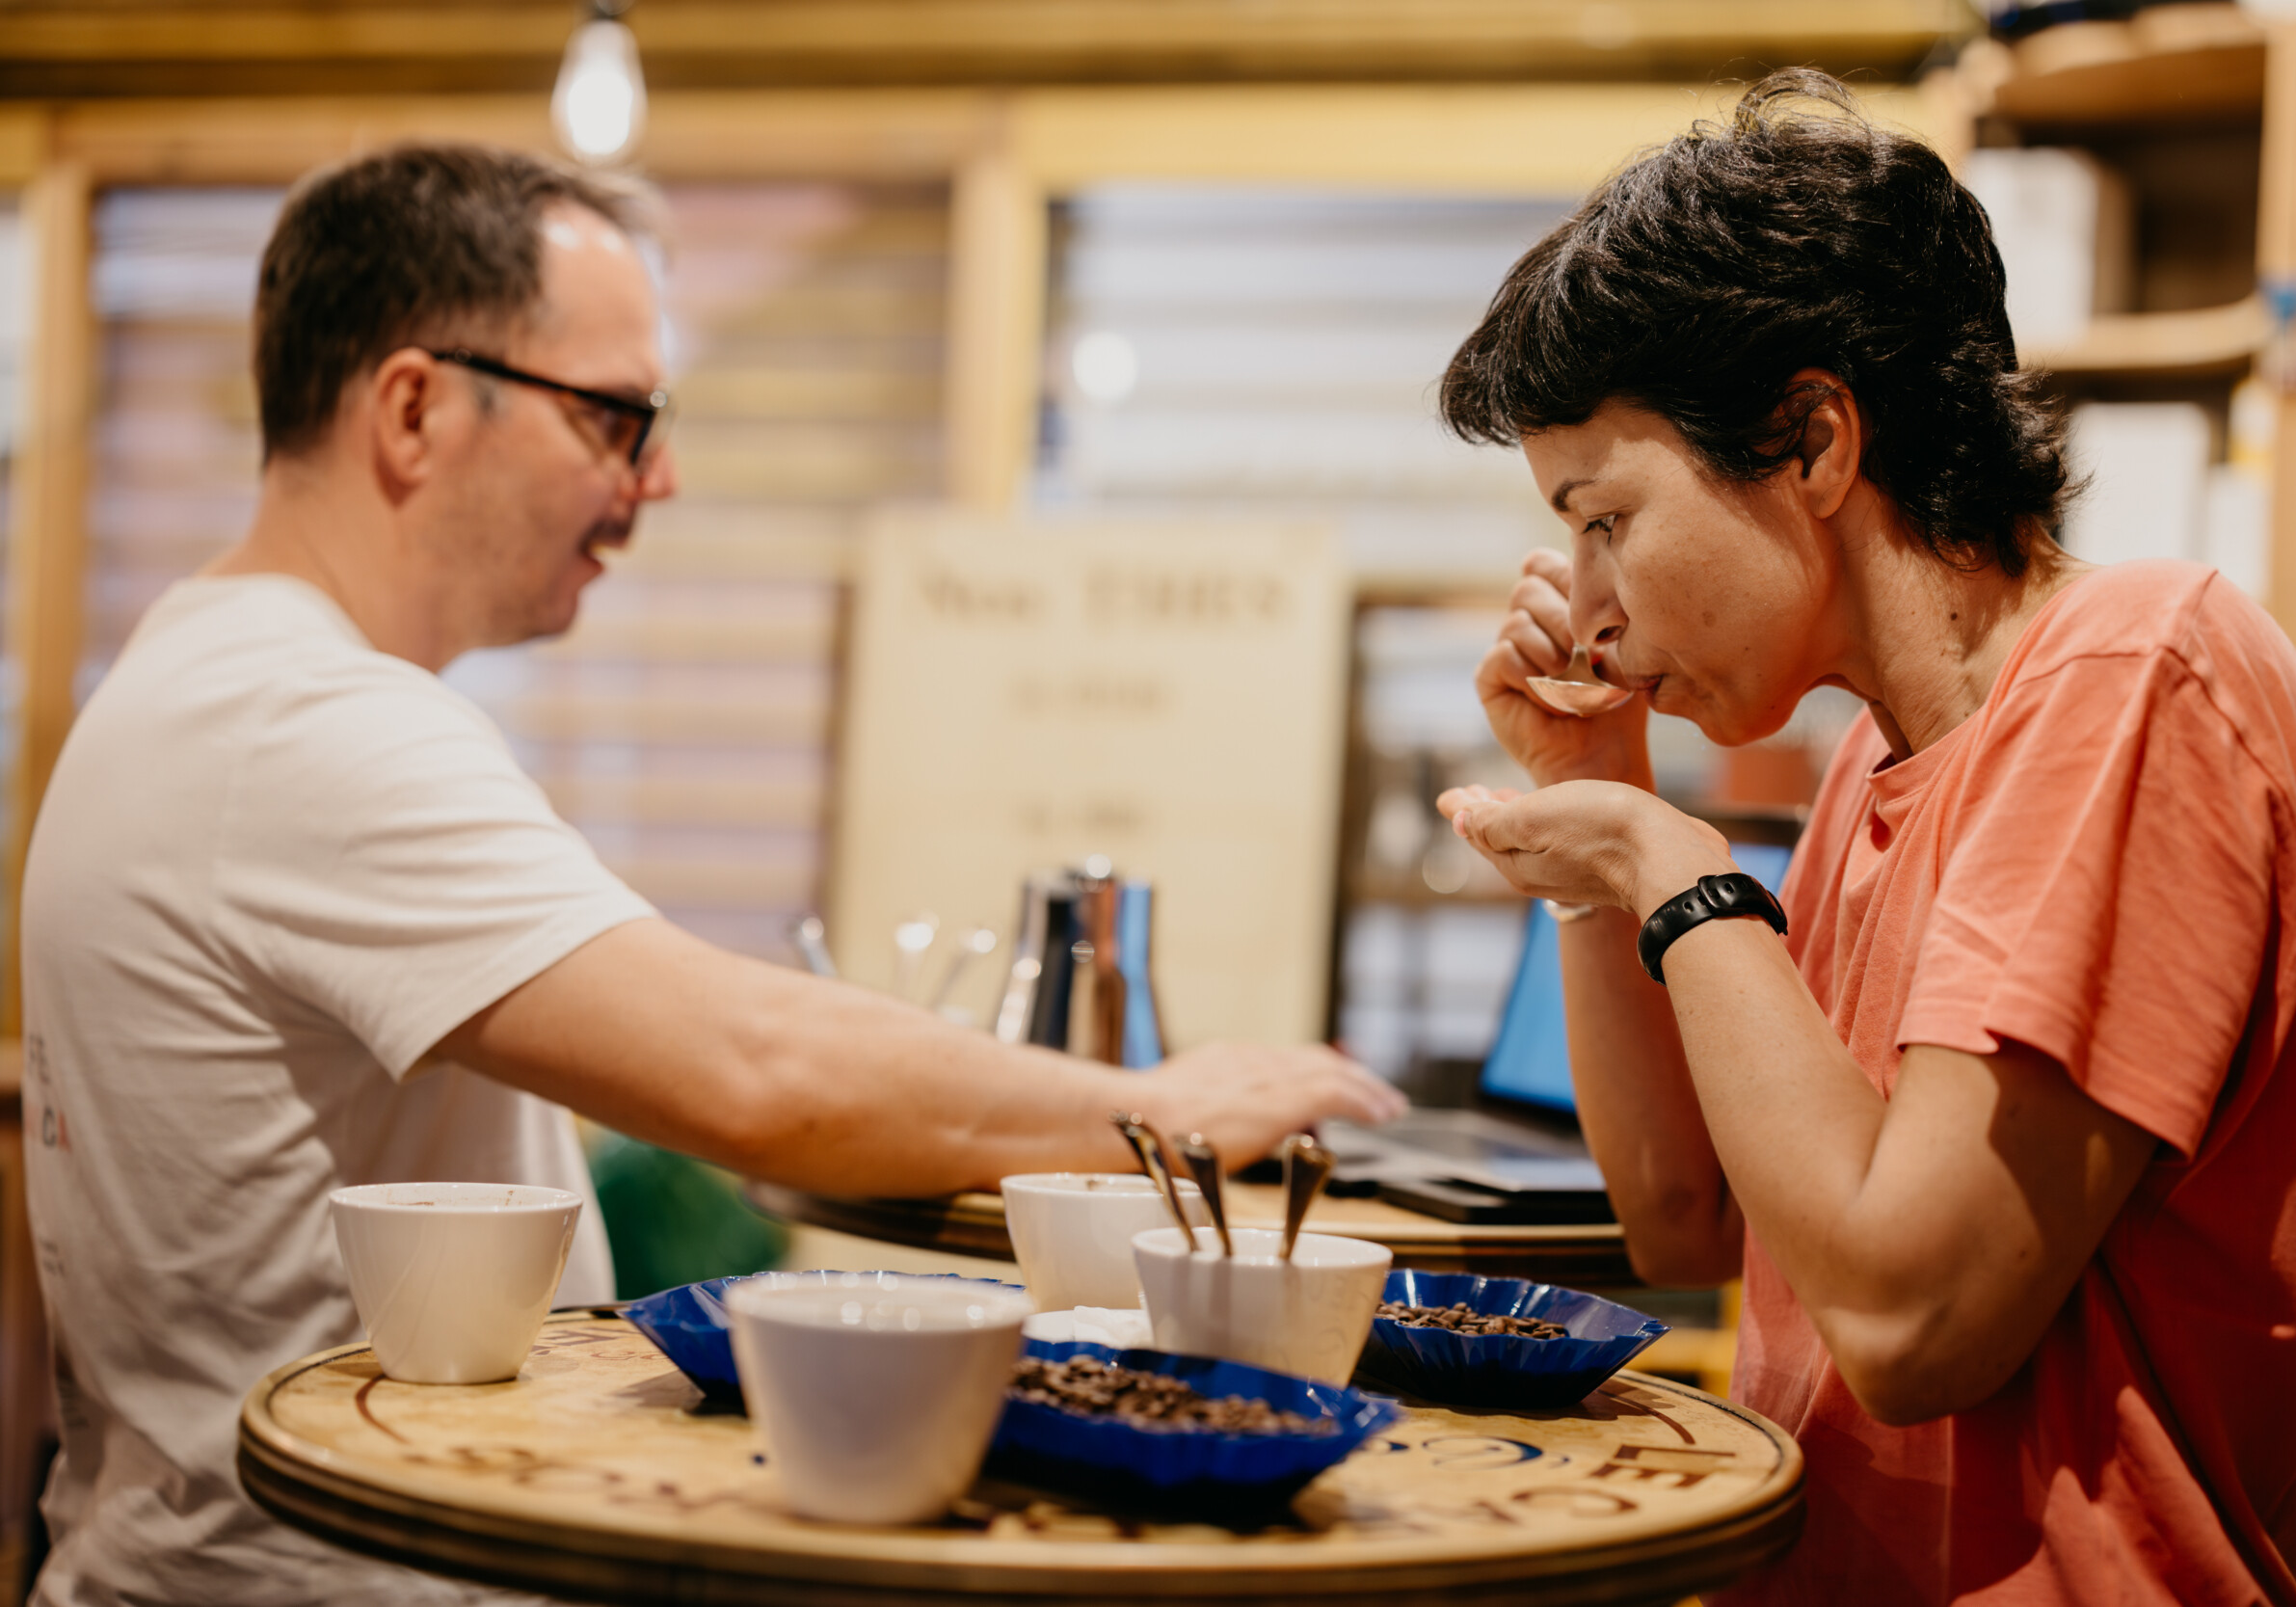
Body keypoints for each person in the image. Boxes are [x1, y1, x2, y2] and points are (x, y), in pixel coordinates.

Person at [19, 144, 1402, 1607]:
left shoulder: (193, 677)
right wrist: (1158, 1110)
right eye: (617, 416)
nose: (659, 476)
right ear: (417, 407)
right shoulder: (301, 723)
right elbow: (753, 1072)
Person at [1432, 71, 2296, 1605]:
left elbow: (1913, 1321)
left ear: (1809, 439)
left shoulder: (2136, 671)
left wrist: (1670, 871)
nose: (1585, 605)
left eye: (1606, 518)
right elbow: (1683, 1215)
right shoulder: (1879, 756)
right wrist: (1608, 821)